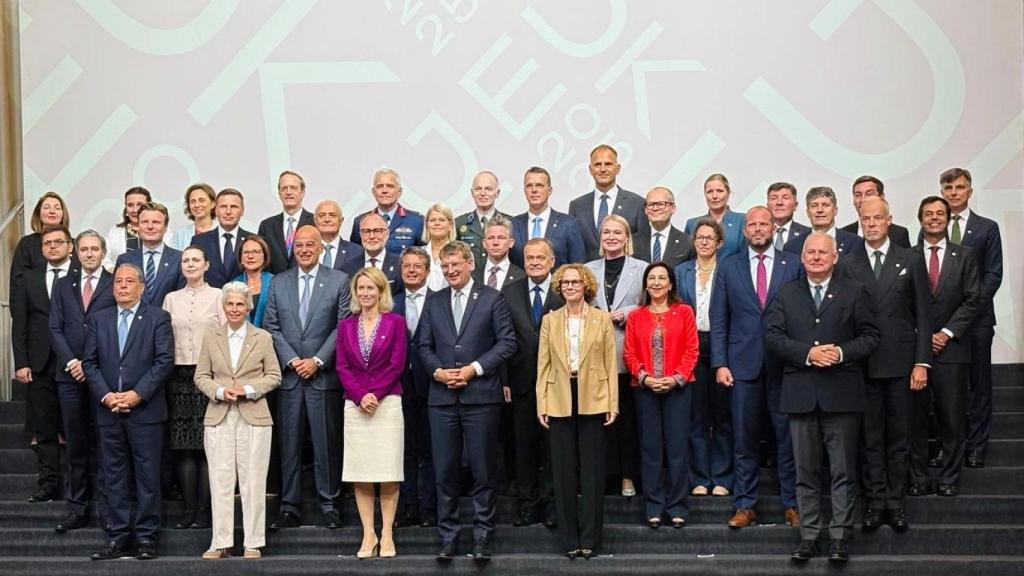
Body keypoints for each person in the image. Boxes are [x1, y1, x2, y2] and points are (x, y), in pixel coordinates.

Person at [765, 232, 880, 564]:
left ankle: (840, 537)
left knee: (843, 471)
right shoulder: (786, 293)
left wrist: (841, 352)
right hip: (800, 394)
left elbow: (871, 336)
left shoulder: (854, 291)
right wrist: (808, 354)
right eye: (810, 252)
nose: (816, 257)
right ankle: (809, 536)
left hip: (842, 394)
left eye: (822, 252)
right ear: (802, 258)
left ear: (835, 257)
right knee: (806, 471)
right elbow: (772, 336)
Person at [416, 241, 517, 562]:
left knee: (482, 469)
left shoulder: (491, 298)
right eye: (445, 267)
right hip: (442, 399)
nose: (451, 271)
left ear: (470, 263)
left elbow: (507, 342)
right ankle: (448, 537)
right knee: (445, 471)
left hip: (481, 398)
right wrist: (438, 372)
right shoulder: (434, 301)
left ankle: (482, 536)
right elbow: (423, 345)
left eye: (456, 265)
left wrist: (473, 369)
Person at [838, 196, 930, 532]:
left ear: (889, 220)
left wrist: (922, 362)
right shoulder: (848, 261)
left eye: (878, 218)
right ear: (860, 221)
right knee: (870, 437)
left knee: (899, 437)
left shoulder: (910, 258)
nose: (872, 224)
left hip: (902, 364)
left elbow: (923, 314)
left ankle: (896, 502)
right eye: (866, 219)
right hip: (863, 365)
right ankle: (875, 503)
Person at [711, 206, 803, 529]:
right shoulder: (728, 266)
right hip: (742, 366)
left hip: (785, 366)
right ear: (745, 230)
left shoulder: (793, 264)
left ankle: (792, 505)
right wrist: (720, 363)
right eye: (753, 224)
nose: (759, 228)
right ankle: (745, 505)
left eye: (765, 223)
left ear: (773, 229)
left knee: (787, 440)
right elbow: (719, 319)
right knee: (743, 439)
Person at [83, 264, 174, 561]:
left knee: (147, 477)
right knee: (114, 477)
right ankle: (118, 537)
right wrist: (108, 396)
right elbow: (90, 363)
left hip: (145, 411)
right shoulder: (99, 319)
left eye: (129, 281)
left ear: (142, 286)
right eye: (118, 281)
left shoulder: (158, 318)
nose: (122, 286)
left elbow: (163, 362)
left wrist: (136, 395)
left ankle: (146, 538)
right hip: (109, 411)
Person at [264, 225, 351, 530]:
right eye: (298, 245)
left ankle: (330, 503)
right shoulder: (278, 282)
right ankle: (289, 506)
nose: (303, 250)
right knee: (289, 445)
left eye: (309, 245)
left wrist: (316, 360)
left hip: (322, 376)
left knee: (326, 443)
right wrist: (291, 360)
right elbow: (271, 326)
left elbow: (343, 326)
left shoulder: (339, 280)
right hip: (289, 378)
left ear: (320, 248)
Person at [194, 282, 282, 560]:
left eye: (239, 304)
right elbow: (201, 376)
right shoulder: (211, 337)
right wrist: (220, 391)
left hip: (254, 415)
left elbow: (274, 375)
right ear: (224, 306)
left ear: (248, 307)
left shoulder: (263, 337)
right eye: (230, 304)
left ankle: (253, 542)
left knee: (253, 479)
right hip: (219, 415)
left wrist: (248, 389)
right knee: (220, 480)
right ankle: (220, 542)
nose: (234, 309)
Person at [537, 263, 618, 559]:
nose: (570, 287)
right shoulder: (550, 320)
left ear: (586, 286)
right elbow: (542, 365)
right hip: (559, 395)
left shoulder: (601, 319)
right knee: (563, 473)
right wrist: (542, 403)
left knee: (593, 474)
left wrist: (612, 403)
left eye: (576, 282)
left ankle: (591, 540)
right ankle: (569, 540)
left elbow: (611, 363)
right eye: (566, 283)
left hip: (593, 396)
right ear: (560, 288)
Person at [908, 196, 979, 498]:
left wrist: (946, 333)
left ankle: (949, 477)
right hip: (914, 352)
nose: (934, 218)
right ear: (920, 219)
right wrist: (922, 337)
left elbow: (972, 298)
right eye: (928, 214)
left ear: (948, 219)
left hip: (952, 350)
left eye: (940, 213)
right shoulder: (907, 256)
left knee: (952, 417)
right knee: (915, 421)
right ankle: (919, 479)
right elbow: (901, 303)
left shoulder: (965, 256)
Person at [336, 267, 408, 559]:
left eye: (371, 288)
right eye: (361, 288)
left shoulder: (396, 323)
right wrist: (359, 395)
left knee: (388, 472)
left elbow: (397, 363)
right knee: (361, 472)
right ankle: (369, 533)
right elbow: (341, 366)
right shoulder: (345, 326)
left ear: (381, 291)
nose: (365, 293)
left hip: (387, 403)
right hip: (355, 406)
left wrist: (374, 394)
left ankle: (387, 532)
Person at [623, 261, 699, 528]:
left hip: (678, 389)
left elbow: (692, 350)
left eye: (662, 278)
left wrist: (674, 379)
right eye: (651, 278)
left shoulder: (685, 312)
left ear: (670, 284)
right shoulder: (636, 316)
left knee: (678, 449)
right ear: (646, 284)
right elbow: (629, 353)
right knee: (650, 449)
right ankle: (653, 507)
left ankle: (677, 506)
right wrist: (646, 378)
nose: (656, 282)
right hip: (645, 390)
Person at [49, 230, 115, 533]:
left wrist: (89, 365)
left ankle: (107, 510)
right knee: (75, 445)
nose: (89, 254)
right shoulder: (64, 285)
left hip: (102, 376)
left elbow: (114, 328)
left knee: (104, 445)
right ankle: (77, 508)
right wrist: (73, 362)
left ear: (103, 252)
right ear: (76, 252)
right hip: (69, 376)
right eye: (84, 249)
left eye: (94, 249)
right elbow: (55, 328)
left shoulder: (115, 282)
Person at [939, 168, 1003, 469]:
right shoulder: (932, 225)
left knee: (979, 386)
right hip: (943, 325)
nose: (954, 192)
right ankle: (949, 447)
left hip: (976, 322)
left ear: (970, 191)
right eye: (949, 187)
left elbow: (993, 275)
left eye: (960, 187)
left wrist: (965, 313)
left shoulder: (986, 228)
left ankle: (977, 446)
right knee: (948, 390)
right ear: (942, 191)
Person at [162, 246, 226, 530]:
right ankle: (188, 512)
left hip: (209, 376)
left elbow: (226, 337)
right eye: (186, 260)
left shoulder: (218, 296)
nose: (190, 264)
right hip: (178, 377)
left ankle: (206, 512)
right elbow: (163, 338)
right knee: (185, 447)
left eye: (196, 260)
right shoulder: (171, 299)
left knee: (208, 447)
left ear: (207, 264)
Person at [501, 238, 564, 528]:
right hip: (521, 382)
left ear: (552, 261)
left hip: (558, 383)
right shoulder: (510, 291)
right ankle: (528, 504)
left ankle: (553, 504)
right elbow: (502, 338)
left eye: (541, 257)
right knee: (523, 447)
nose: (535, 262)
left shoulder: (565, 289)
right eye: (529, 258)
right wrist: (504, 379)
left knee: (553, 448)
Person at [585, 214, 645, 498]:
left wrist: (627, 313)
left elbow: (651, 305)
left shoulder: (642, 268)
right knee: (598, 421)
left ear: (626, 237)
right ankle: (603, 476)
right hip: (594, 358)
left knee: (628, 421)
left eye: (617, 232)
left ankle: (628, 477)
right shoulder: (586, 270)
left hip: (627, 354)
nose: (611, 236)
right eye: (606, 232)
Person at [13, 224, 74, 503]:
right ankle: (49, 483)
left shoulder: (80, 276)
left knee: (76, 426)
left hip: (75, 362)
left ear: (69, 246)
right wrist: (21, 361)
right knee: (45, 428)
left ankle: (78, 483)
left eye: (58, 242)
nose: (52, 246)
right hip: (39, 363)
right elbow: (20, 324)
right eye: (47, 243)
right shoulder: (29, 278)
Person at [675, 219, 732, 498]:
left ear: (719, 242)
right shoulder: (681, 271)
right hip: (690, 346)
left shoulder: (730, 270)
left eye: (710, 238)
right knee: (696, 416)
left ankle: (721, 477)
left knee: (722, 416)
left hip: (722, 346)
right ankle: (699, 477)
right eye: (699, 237)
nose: (704, 242)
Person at [392, 248, 437, 529]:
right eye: (406, 266)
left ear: (427, 270)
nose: (411, 270)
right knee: (404, 450)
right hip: (398, 385)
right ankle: (408, 506)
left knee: (431, 451)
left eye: (417, 266)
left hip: (432, 384)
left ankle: (430, 508)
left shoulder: (440, 301)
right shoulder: (391, 302)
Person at [568, 144, 646, 262]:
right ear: (590, 170)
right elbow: (573, 247)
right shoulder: (577, 206)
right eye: (597, 164)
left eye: (608, 164)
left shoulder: (637, 203)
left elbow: (641, 246)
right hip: (586, 276)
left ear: (617, 168)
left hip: (624, 275)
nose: (603, 169)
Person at [510, 166, 586, 268]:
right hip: (521, 283)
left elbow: (578, 265)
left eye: (539, 185)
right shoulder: (513, 224)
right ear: (524, 191)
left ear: (549, 190)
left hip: (556, 283)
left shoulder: (568, 224)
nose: (534, 190)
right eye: (529, 186)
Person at [10, 191, 73, 310]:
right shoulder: (27, 244)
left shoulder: (73, 243)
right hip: (36, 315)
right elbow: (17, 283)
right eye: (47, 207)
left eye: (57, 208)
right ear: (38, 213)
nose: (52, 211)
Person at [115, 202, 185, 307]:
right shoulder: (125, 260)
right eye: (144, 222)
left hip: (167, 321)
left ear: (165, 227)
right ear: (138, 226)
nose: (150, 226)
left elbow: (182, 298)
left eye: (156, 222)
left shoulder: (180, 259)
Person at [350, 168, 424, 254]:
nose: (384, 191)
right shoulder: (360, 221)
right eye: (380, 186)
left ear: (399, 192)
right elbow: (355, 257)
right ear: (373, 192)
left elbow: (424, 258)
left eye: (390, 186)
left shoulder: (417, 221)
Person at [190, 188, 253, 288]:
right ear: (215, 210)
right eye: (223, 206)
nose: (228, 212)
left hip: (242, 300)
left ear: (242, 210)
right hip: (208, 301)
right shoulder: (199, 241)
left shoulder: (252, 240)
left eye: (234, 207)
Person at [258, 170, 315, 273]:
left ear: (302, 193)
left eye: (293, 188)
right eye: (284, 188)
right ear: (279, 194)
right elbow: (262, 260)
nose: (288, 192)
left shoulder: (315, 222)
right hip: (275, 284)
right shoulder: (267, 226)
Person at [455, 171, 512, 265]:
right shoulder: (459, 223)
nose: (482, 193)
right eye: (478, 189)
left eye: (488, 189)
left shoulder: (510, 222)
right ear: (472, 193)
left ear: (497, 193)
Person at [684, 174, 746, 260]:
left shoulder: (742, 220)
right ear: (705, 195)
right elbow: (689, 258)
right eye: (709, 192)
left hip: (733, 272)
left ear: (728, 193)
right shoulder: (692, 224)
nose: (714, 196)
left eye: (719, 191)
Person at [840, 175, 911, 248]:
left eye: (869, 194)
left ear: (882, 197)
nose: (863, 199)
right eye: (858, 195)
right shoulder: (842, 235)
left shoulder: (899, 233)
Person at [632, 186, 693, 269]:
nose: (655, 208)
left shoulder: (687, 242)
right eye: (651, 204)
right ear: (646, 210)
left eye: (661, 204)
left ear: (673, 208)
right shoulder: (633, 241)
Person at [342, 212, 403, 295]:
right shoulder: (347, 268)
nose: (371, 236)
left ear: (387, 234)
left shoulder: (400, 266)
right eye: (366, 231)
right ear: (360, 234)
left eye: (377, 231)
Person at [799, 187, 863, 258]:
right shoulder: (794, 245)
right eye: (814, 205)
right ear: (807, 212)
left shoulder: (855, 244)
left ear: (835, 210)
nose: (820, 210)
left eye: (825, 205)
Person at [103, 186, 152, 270]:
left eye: (139, 205)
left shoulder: (160, 231)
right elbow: (104, 258)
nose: (135, 210)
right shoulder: (114, 232)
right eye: (130, 205)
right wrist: (114, 271)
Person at [473, 215, 525, 290]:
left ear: (511, 243)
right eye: (491, 238)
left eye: (501, 238)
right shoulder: (472, 276)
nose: (495, 242)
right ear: (484, 243)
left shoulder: (522, 277)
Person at [233, 235, 274, 328]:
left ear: (264, 257)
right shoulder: (233, 285)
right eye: (246, 252)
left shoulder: (275, 282)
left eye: (255, 252)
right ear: (241, 259)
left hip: (270, 339)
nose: (250, 256)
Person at [314, 199, 364, 272]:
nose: (327, 219)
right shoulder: (305, 250)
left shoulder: (357, 252)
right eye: (322, 216)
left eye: (332, 215)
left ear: (341, 221)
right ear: (315, 221)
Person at [766, 182, 811, 253]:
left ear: (795, 205)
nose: (779, 203)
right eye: (774, 198)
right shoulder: (758, 232)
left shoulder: (807, 234)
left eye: (785, 198)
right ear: (768, 206)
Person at [171, 183, 217, 250]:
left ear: (212, 204)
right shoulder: (180, 235)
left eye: (201, 200)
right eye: (193, 201)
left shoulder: (222, 232)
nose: (197, 205)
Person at [423, 203, 457, 291]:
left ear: (450, 225)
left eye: (442, 220)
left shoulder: (459, 254)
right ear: (427, 225)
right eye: (432, 220)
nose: (437, 223)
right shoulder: (418, 254)